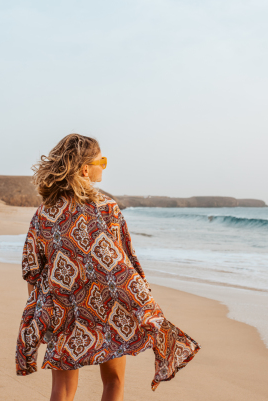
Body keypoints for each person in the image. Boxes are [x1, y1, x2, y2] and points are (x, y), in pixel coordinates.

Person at [16, 134, 200, 401]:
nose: (104, 165)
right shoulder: (107, 208)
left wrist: (40, 313)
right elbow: (125, 261)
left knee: (63, 390)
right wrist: (141, 302)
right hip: (108, 308)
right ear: (84, 169)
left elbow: (32, 269)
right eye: (101, 159)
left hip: (63, 307)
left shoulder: (44, 213)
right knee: (114, 382)